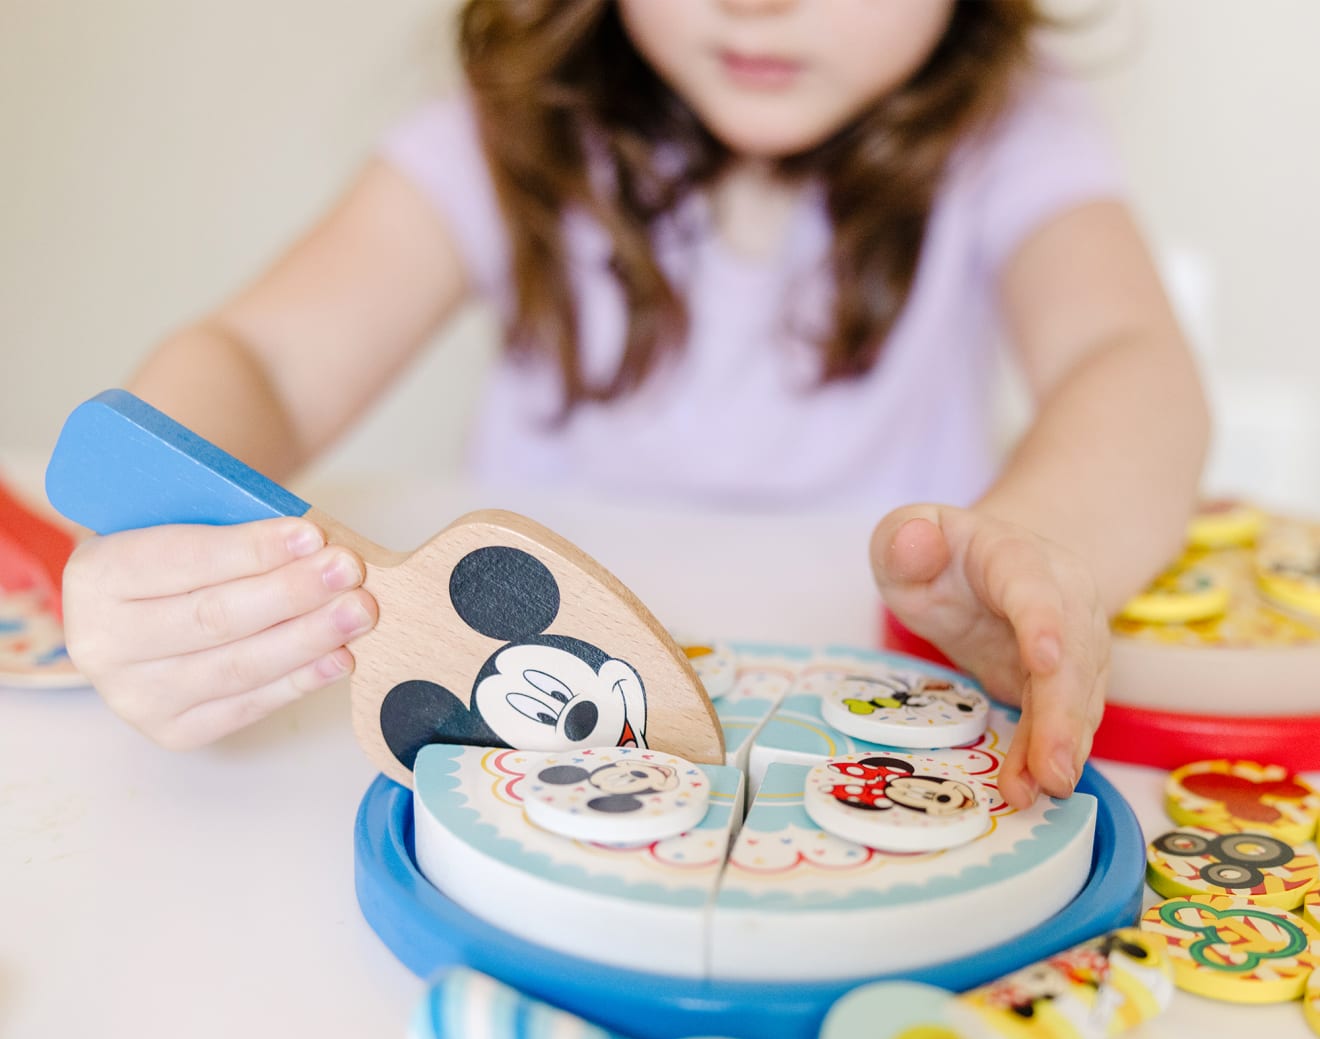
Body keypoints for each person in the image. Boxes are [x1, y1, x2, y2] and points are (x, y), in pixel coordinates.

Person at [61, 0, 1210, 809]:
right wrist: (173, 550)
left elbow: (1131, 363)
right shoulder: (503, 126)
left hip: (869, 716)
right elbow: (259, 358)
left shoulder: (1011, 129)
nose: (757, 3)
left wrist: (1051, 545)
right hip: (516, 750)